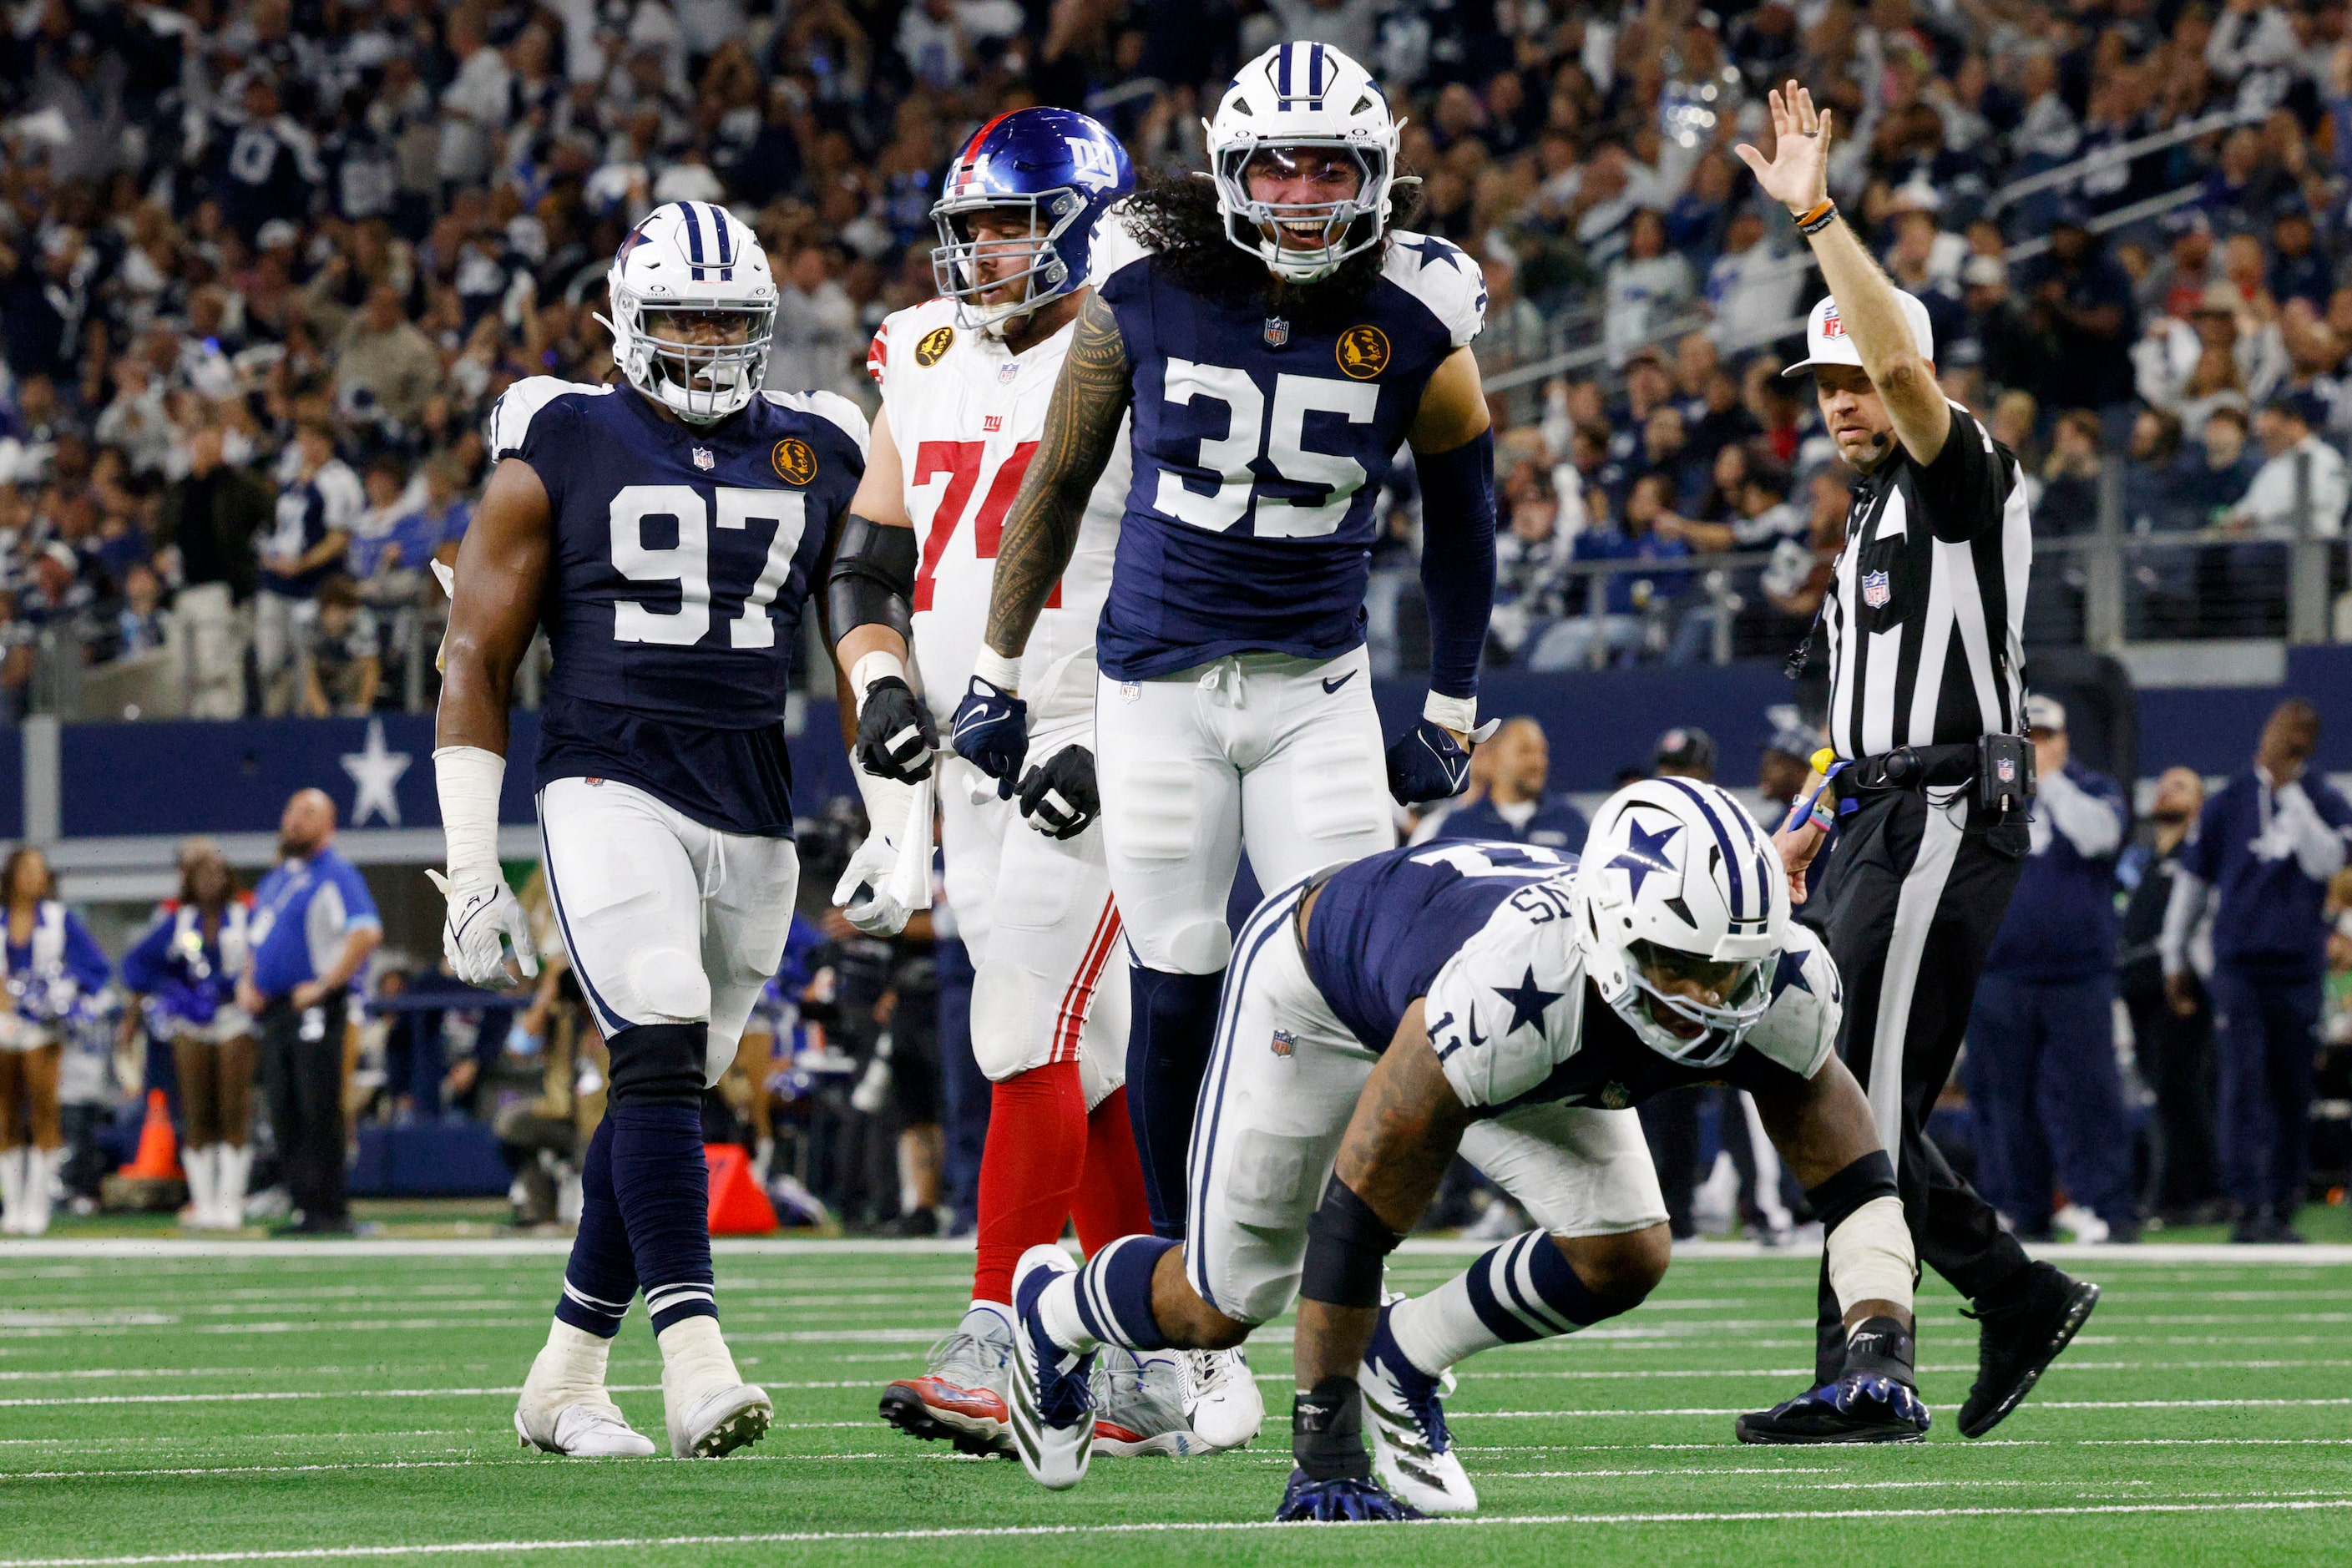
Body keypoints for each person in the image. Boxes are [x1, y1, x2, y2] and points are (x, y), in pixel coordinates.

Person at [954, 62, 1501, 1435]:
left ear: (1374, 173)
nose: (1303, 195)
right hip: (1153, 689)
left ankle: (1334, 1303)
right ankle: (1194, 1309)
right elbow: (1058, 477)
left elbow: (1465, 518)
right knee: (1182, 984)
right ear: (1228, 166)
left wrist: (1451, 703)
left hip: (1316, 690)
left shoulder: (1422, 304)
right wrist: (997, 667)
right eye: (1278, 167)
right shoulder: (1142, 275)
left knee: (1348, 994)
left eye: (1330, 168)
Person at [1000, 784, 1925, 1520]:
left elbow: (1857, 1187)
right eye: (1678, 967)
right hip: (1318, 993)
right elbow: (1358, 1220)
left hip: (1491, 1021)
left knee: (1623, 1249)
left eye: (1730, 969)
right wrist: (1328, 1448)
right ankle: (1052, 1308)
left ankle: (1403, 1358)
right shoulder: (1516, 986)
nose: (1707, 998)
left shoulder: (1781, 982)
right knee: (1225, 1302)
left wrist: (1880, 1345)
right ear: (1611, 933)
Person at [432, 201, 867, 1461]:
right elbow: (476, 652)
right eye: (677, 313)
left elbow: (868, 639)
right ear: (623, 318)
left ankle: (564, 1375)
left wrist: (908, 813)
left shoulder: (819, 446)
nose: (700, 339)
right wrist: (472, 869)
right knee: (663, 1025)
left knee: (665, 1081)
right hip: (604, 773)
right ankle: (695, 1356)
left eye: (726, 320)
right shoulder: (559, 435)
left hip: (752, 800)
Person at [1739, 81, 2098, 1440]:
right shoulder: (1870, 524)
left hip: (1949, 805)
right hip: (1880, 814)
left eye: (1849, 376)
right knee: (1808, 1076)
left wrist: (1819, 214)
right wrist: (1809, 814)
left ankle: (1869, 1364)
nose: (1836, 400)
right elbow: (1861, 715)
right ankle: (2007, 1292)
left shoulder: (1958, 475)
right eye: (1817, 382)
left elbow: (1904, 377)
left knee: (1858, 1090)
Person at [822, 108, 1178, 1457]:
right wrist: (880, 689)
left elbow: (1187, 560)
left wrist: (1119, 725)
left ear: (1080, 223)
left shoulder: (1143, 342)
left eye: (1012, 223)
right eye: (967, 227)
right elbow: (864, 563)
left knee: (1018, 1031)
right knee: (1073, 1063)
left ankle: (997, 1330)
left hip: (1095, 740)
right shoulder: (919, 351)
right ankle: (1153, 1358)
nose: (982, 252)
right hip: (966, 755)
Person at [2162, 699, 2352, 1242]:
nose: (2284, 743)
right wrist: (2175, 958)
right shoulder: (2225, 802)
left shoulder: (2323, 797)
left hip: (2296, 967)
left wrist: (2289, 791)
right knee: (2243, 1086)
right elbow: (2192, 888)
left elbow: (2324, 864)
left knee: (2292, 1088)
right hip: (2238, 968)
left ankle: (2282, 1204)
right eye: (2280, 732)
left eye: (2297, 736)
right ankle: (2247, 1205)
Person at [1964, 696, 2137, 1243]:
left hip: (2076, 974)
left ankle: (2100, 1205)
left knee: (2090, 1094)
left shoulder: (2095, 788)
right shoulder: (1986, 792)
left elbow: (2100, 837)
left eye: (2044, 736)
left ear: (2062, 740)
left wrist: (2053, 781)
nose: (2035, 745)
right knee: (2001, 1098)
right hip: (1999, 971)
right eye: (2026, 736)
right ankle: (2019, 1207)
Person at [235, 790, 379, 1237]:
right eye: (292, 811)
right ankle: (303, 1206)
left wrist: (325, 984)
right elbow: (256, 943)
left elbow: (366, 932)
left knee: (318, 1103)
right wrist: (246, 981)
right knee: (283, 1106)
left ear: (329, 824)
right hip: (276, 1010)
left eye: (308, 813)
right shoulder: (275, 879)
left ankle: (331, 1209)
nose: (295, 821)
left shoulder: (337, 873)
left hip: (317, 1007)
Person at [119, 840, 256, 1232]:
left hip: (235, 1018)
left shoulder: (246, 914)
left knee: (234, 1108)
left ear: (228, 876)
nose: (210, 881)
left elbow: (267, 955)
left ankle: (230, 1202)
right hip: (190, 1023)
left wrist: (247, 985)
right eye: (201, 875)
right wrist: (172, 991)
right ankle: (205, 1201)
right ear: (189, 882)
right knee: (197, 1112)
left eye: (216, 872)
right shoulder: (176, 920)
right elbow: (137, 964)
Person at [2117, 766, 2223, 1224]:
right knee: (2162, 1095)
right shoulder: (2142, 861)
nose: (2164, 791)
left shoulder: (2199, 856)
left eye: (2179, 786)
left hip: (2180, 992)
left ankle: (2196, 1195)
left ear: (2200, 803)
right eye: (2161, 784)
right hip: (2139, 993)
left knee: (2184, 1092)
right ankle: (2172, 1192)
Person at [0, 847, 109, 1237]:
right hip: (2, 1028)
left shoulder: (61, 921)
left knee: (44, 1112)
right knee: (5, 1117)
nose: (35, 878)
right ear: (12, 875)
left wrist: (63, 994)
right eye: (27, 870)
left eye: (40, 871)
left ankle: (38, 1203)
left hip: (43, 1030)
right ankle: (12, 1205)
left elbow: (96, 968)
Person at [255, 417, 362, 716]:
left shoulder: (339, 480)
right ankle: (273, 723)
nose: (309, 447)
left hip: (312, 586)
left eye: (315, 440)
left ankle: (302, 725)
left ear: (328, 442)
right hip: (277, 581)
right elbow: (282, 527)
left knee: (307, 663)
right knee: (269, 662)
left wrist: (302, 564)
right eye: (304, 440)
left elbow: (339, 537)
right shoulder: (293, 477)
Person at [1424, 716, 1588, 852]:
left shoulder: (1572, 823)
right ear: (1495, 757)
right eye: (1524, 751)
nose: (1537, 761)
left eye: (1542, 752)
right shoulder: (1459, 829)